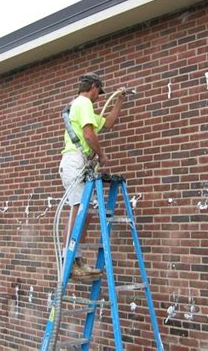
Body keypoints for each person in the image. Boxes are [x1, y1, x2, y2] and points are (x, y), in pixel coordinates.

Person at [59, 72, 125, 280]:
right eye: (99, 92)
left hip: (76, 162)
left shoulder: (79, 106)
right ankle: (69, 260)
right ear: (94, 87)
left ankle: (75, 258)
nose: (99, 97)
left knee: (84, 211)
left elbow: (108, 123)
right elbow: (89, 134)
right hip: (74, 161)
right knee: (80, 210)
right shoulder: (84, 103)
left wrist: (119, 100)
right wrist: (102, 155)